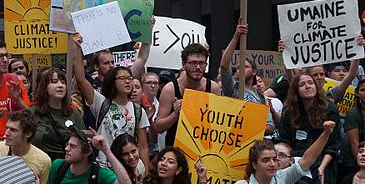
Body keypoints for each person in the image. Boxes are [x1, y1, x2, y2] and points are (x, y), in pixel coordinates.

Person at [69, 34, 149, 168]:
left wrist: (146, 173)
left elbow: (143, 146)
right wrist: (77, 49)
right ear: (112, 82)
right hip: (105, 168)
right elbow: (81, 79)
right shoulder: (101, 103)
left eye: (129, 78)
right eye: (122, 79)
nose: (127, 81)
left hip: (129, 168)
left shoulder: (138, 111)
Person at [278, 71, 339, 184]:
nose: (307, 86)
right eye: (302, 84)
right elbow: (285, 141)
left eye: (310, 83)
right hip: (295, 166)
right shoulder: (289, 111)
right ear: (296, 90)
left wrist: (322, 168)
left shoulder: (330, 109)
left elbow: (333, 145)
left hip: (322, 165)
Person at [153, 42, 221, 147]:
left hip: (203, 149)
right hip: (175, 150)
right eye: (193, 63)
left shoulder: (213, 88)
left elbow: (219, 124)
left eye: (202, 63)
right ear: (183, 65)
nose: (198, 67)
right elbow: (158, 127)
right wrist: (175, 114)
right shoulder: (170, 89)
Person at [29, 66, 85, 162]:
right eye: (54, 82)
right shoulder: (33, 113)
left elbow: (83, 144)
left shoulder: (74, 114)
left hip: (67, 165)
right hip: (40, 164)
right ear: (44, 87)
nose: (60, 85)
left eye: (63, 82)